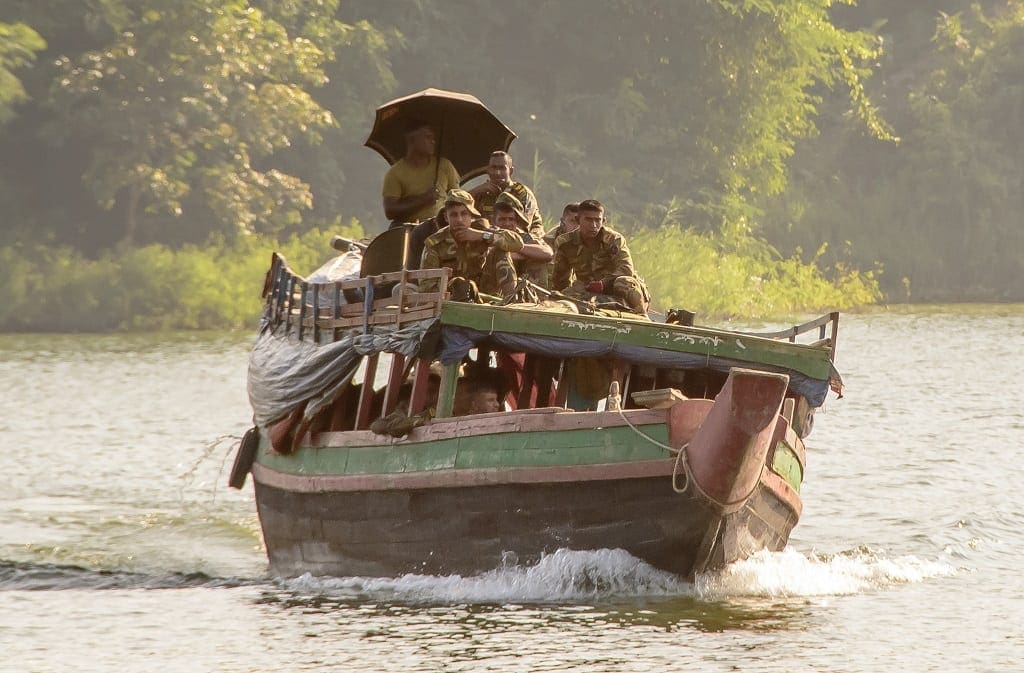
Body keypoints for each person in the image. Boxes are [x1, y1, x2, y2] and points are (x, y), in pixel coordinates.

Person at [551, 199, 650, 314]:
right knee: (562, 296)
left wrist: (603, 284)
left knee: (624, 282)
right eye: (588, 220)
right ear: (578, 220)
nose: (593, 225)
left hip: (617, 289)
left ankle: (641, 318)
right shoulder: (565, 243)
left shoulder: (614, 239)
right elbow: (560, 280)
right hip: (588, 291)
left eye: (597, 220)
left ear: (603, 221)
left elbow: (626, 269)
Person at [419, 189, 523, 298]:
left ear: (472, 216)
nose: (459, 220)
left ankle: (511, 301)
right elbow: (426, 286)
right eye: (454, 215)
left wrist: (482, 235)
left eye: (464, 214)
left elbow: (518, 244)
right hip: (452, 298)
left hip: (484, 293)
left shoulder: (481, 231)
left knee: (501, 251)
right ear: (446, 217)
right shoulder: (435, 243)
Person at [381, 119, 460, 226]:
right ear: (412, 140)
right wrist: (423, 200)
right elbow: (390, 211)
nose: (433, 141)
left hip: (439, 228)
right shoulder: (395, 173)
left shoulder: (444, 165)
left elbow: (458, 198)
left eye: (433, 138)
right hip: (408, 230)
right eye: (427, 137)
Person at [469, 151, 543, 232]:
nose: (497, 172)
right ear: (488, 170)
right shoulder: (480, 193)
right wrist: (474, 192)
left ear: (511, 171)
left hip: (525, 238)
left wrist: (495, 234)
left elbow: (524, 226)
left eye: (502, 168)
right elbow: (459, 209)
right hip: (488, 238)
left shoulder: (522, 193)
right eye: (494, 168)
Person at [492, 190, 553, 287]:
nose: (507, 224)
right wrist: (508, 255)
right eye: (502, 219)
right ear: (494, 220)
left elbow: (547, 253)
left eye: (511, 219)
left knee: (537, 259)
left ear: (517, 221)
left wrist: (518, 249)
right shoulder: (487, 234)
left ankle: (535, 298)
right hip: (491, 286)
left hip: (522, 284)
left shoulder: (523, 236)